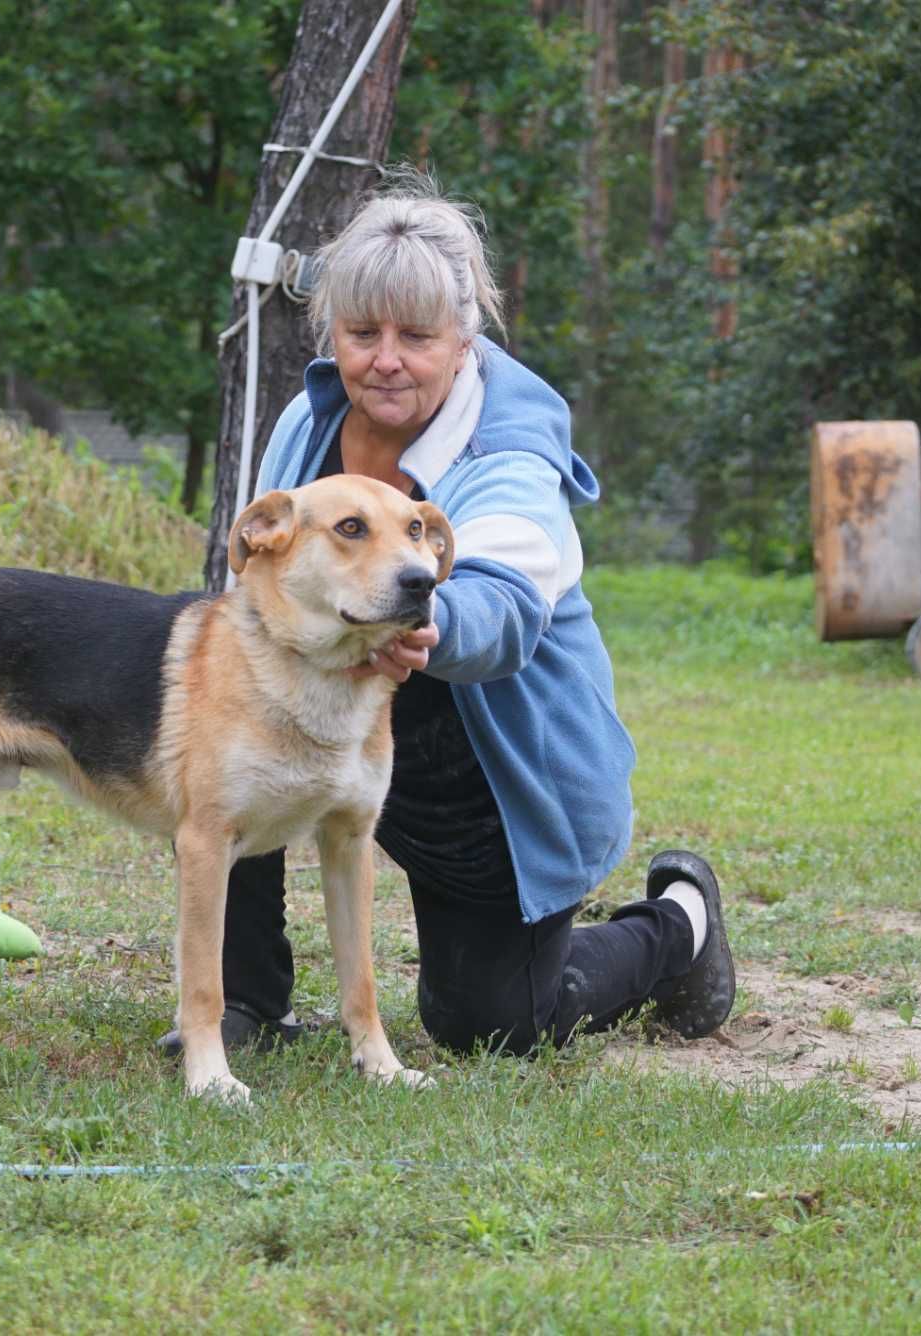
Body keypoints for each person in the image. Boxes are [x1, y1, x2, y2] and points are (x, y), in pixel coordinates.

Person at [174, 174, 733, 1061]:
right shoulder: (304, 427)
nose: (385, 359)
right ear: (332, 335)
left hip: (491, 765)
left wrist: (422, 626)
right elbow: (254, 593)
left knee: (492, 1020)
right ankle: (248, 998)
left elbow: (505, 607)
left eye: (416, 337)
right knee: (238, 710)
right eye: (362, 334)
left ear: (465, 338)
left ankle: (677, 930)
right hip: (339, 719)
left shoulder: (511, 448)